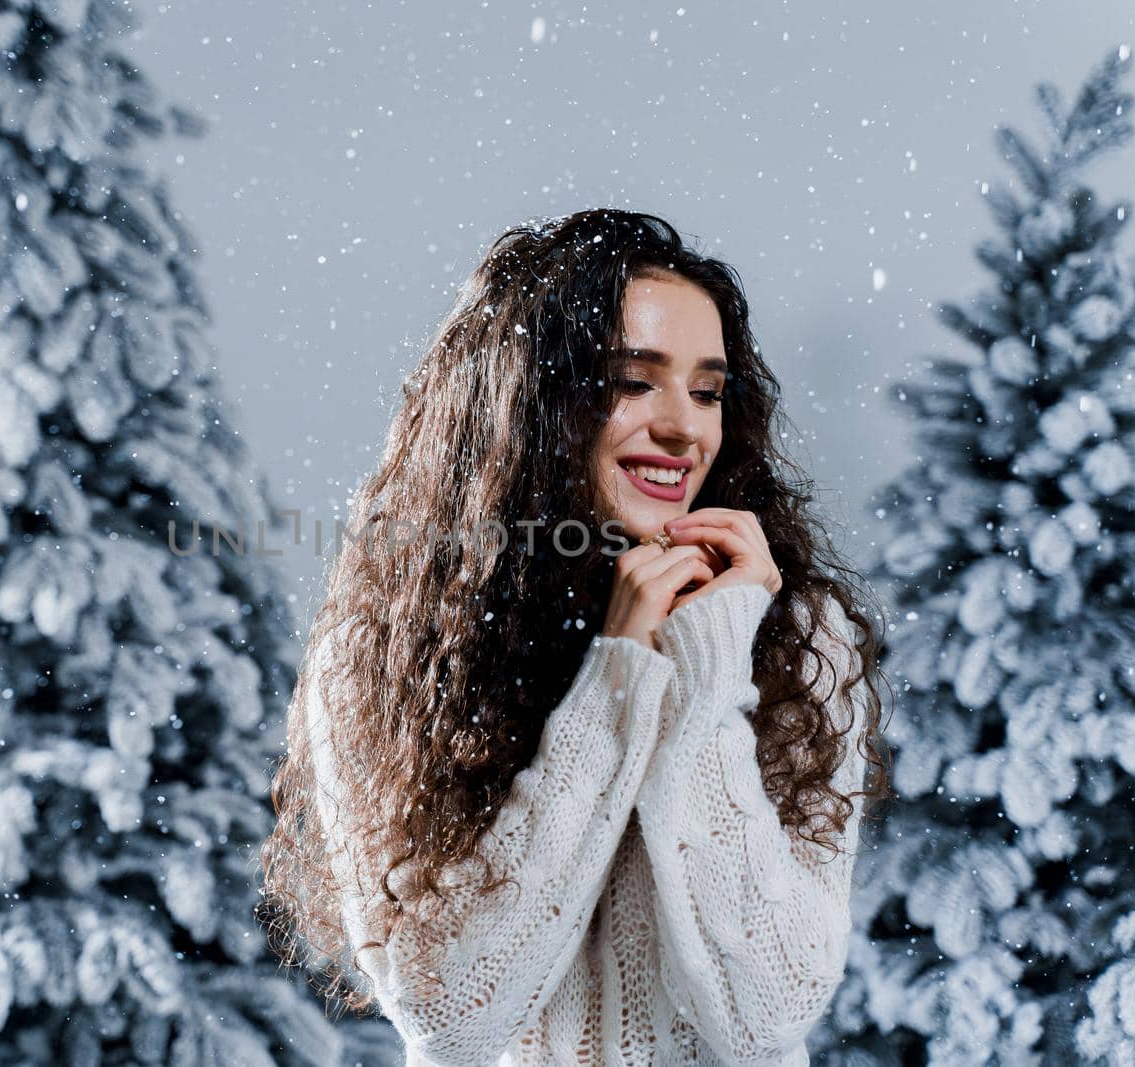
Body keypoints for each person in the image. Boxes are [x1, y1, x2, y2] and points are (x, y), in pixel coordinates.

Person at [258, 209, 894, 1066]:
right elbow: (453, 1014)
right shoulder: (384, 651)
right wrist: (620, 673)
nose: (683, 427)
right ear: (528, 400)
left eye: (707, 390)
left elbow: (770, 1013)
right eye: (633, 381)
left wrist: (708, 673)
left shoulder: (792, 636)